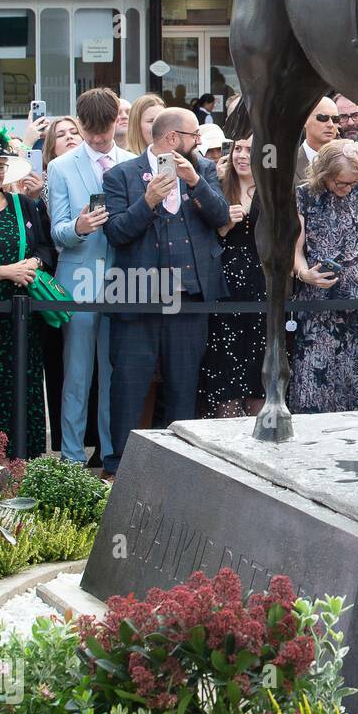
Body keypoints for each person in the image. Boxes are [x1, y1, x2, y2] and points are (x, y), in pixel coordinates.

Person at [102, 107, 230, 474]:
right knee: (128, 384)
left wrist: (196, 184)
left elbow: (222, 218)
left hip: (189, 300)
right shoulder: (120, 176)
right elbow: (116, 233)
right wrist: (147, 202)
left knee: (183, 385)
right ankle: (119, 467)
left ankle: (179, 468)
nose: (198, 143)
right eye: (194, 136)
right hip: (137, 297)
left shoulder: (203, 170)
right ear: (173, 138)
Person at [49, 88, 134, 468]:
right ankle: (70, 458)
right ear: (79, 123)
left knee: (115, 373)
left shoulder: (133, 162)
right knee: (78, 374)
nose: (99, 139)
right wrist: (79, 227)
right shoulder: (61, 167)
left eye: (106, 130)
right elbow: (57, 232)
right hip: (78, 280)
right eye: (91, 131)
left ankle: (112, 454)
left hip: (125, 279)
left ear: (118, 120)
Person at [0, 127, 56, 456]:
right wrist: (4, 272)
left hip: (22, 321)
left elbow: (48, 249)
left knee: (22, 386)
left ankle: (23, 461)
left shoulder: (24, 206)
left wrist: (33, 263)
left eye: (0, 167)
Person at [291, 140, 358, 413]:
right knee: (313, 383)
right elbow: (295, 248)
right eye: (340, 183)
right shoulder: (304, 195)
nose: (346, 189)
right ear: (325, 175)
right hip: (317, 297)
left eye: (352, 183)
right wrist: (305, 274)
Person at [200, 134, 267, 419]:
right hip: (222, 282)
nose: (241, 155)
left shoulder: (271, 192)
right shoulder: (216, 189)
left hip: (261, 283)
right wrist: (224, 225)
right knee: (223, 361)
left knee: (256, 359)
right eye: (237, 148)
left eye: (249, 150)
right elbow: (202, 239)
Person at [296, 97, 341, 185]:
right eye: (322, 118)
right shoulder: (288, 166)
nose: (331, 124)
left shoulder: (348, 162)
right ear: (305, 120)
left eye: (335, 119)